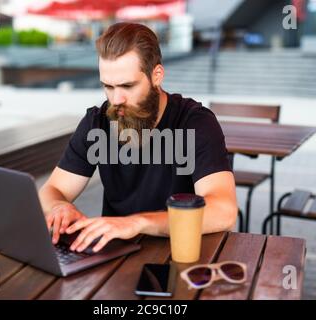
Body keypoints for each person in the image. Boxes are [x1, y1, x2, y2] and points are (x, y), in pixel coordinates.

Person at [39, 22, 237, 253]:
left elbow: (224, 211)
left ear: (157, 76)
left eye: (127, 86)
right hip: (114, 256)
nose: (116, 99)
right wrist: (58, 206)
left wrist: (139, 222)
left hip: (181, 254)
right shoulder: (98, 122)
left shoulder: (195, 122)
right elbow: (52, 189)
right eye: (108, 86)